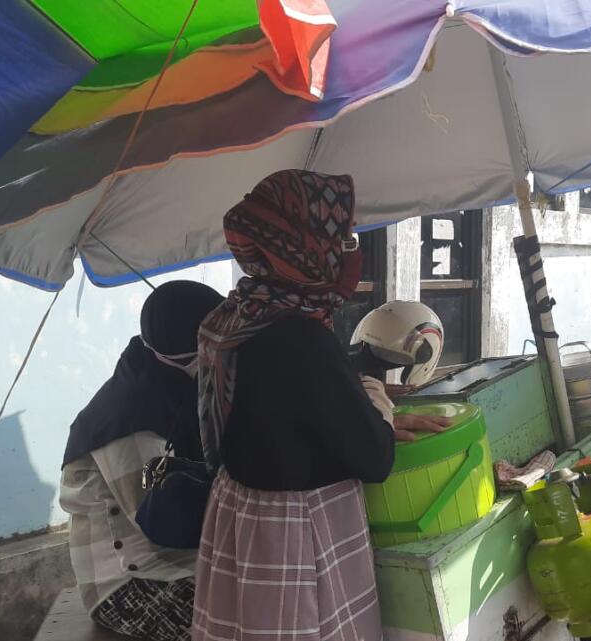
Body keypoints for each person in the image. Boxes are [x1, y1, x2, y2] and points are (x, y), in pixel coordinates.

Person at [191, 170, 448, 641]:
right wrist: (375, 402)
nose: (350, 250)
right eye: (342, 239)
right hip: (295, 533)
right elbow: (374, 458)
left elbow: (297, 414)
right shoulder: (301, 335)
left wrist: (369, 407)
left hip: (241, 515)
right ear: (305, 246)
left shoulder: (238, 313)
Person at [59, 280, 224, 641]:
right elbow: (162, 521)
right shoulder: (128, 416)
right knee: (248, 619)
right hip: (128, 585)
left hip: (176, 567)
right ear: (196, 349)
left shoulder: (169, 385)